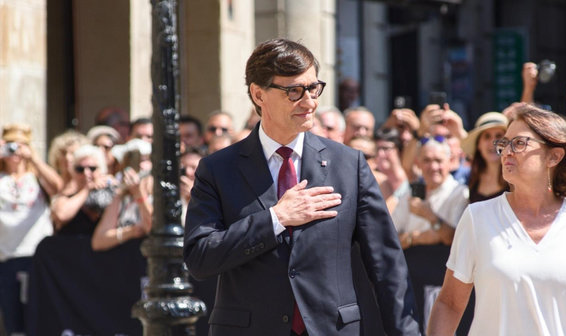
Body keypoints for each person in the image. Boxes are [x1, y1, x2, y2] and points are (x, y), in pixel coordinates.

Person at [183, 38, 419, 335]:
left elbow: (387, 267)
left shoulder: (348, 165)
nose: (309, 102)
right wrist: (275, 219)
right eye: (294, 91)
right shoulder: (218, 169)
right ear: (259, 94)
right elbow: (200, 258)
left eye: (313, 88)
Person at [427, 105, 566, 335]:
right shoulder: (477, 218)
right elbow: (449, 303)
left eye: (519, 143)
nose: (507, 151)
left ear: (554, 156)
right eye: (504, 143)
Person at [0, 124, 61, 333]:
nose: (15, 151)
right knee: (12, 318)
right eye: (10, 145)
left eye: (21, 145)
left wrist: (33, 158)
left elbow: (58, 187)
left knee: (36, 315)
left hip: (37, 257)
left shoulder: (36, 177)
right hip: (7, 258)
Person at [392, 137, 468, 250]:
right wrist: (415, 238)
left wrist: (430, 215)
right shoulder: (411, 193)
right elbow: (390, 239)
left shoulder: (460, 193)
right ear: (418, 163)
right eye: (427, 160)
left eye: (438, 160)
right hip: (410, 262)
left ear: (450, 161)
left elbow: (455, 239)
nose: (433, 167)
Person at [91, 139, 153, 251]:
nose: (138, 165)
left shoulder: (161, 195)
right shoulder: (120, 197)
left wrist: (140, 196)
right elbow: (98, 242)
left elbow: (152, 229)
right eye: (132, 160)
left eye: (143, 159)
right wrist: (130, 232)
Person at [50, 145, 117, 236]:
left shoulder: (111, 191)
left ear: (102, 170)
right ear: (73, 172)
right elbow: (61, 215)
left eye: (92, 168)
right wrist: (87, 189)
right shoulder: (67, 196)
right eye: (80, 169)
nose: (86, 173)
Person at [460, 112, 508, 203]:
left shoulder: (516, 178)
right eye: (487, 136)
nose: (493, 142)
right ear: (478, 144)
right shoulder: (470, 177)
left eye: (499, 136)